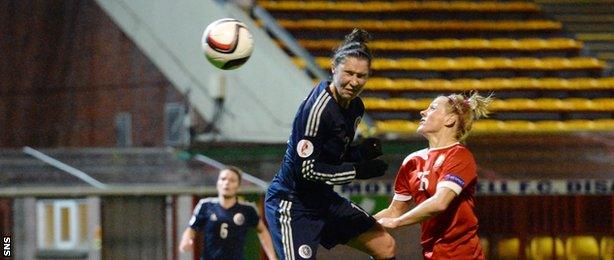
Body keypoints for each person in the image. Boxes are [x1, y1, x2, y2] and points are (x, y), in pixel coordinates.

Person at [264, 28, 396, 260]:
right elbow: (305, 169)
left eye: (361, 76)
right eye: (348, 73)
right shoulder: (317, 111)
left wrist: (358, 154)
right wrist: (357, 171)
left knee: (385, 245)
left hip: (323, 199)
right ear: (333, 68)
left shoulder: (355, 107)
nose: (354, 82)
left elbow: (331, 156)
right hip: (292, 203)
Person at [376, 92, 492, 259]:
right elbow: (394, 211)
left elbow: (440, 202)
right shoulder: (413, 161)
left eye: (432, 108)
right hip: (431, 255)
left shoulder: (459, 155)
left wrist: (398, 222)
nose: (423, 112)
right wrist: (361, 223)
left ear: (450, 120)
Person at [179, 166, 278, 260]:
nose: (226, 183)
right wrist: (186, 240)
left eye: (232, 180)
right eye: (223, 179)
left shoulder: (248, 209)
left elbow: (262, 230)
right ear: (218, 183)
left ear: (238, 186)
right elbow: (191, 228)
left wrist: (272, 257)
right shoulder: (205, 205)